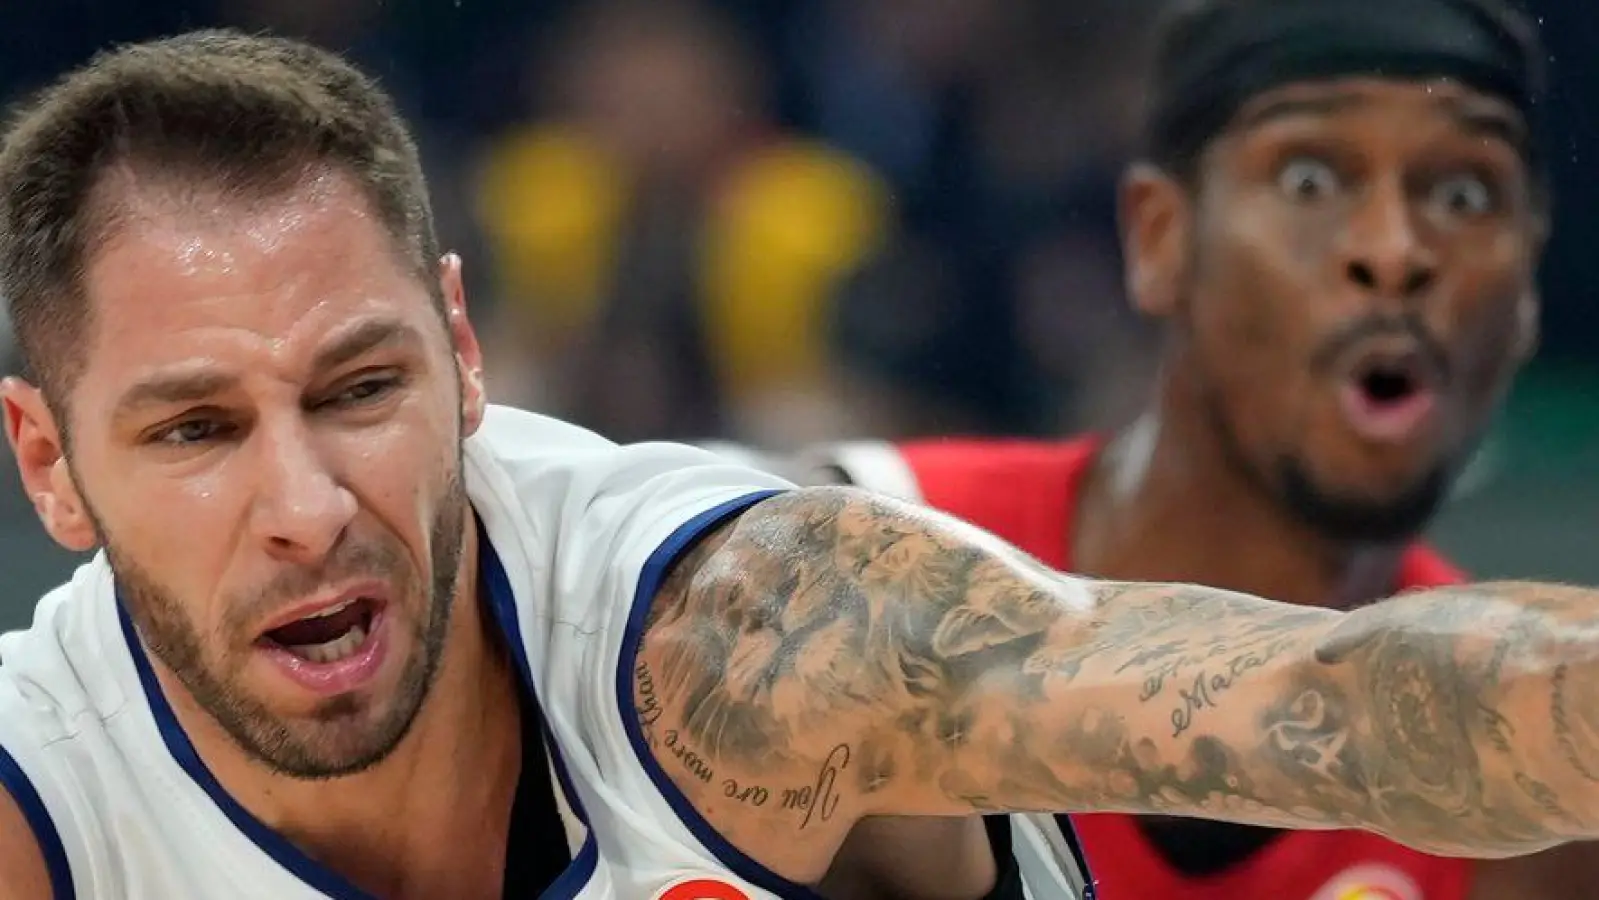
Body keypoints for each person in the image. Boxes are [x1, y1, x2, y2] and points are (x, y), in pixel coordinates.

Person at [1, 27, 1597, 900]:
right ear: (47, 462)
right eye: (195, 428)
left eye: (358, 388)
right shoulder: (44, 789)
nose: (305, 508)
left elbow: (1338, 701)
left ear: (463, 354)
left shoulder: (745, 646)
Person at [782, 0, 1590, 897]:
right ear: (1159, 237)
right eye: (1311, 181)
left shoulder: (1533, 761)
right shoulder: (867, 557)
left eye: (1464, 194)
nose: (1394, 251)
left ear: (1526, 285)